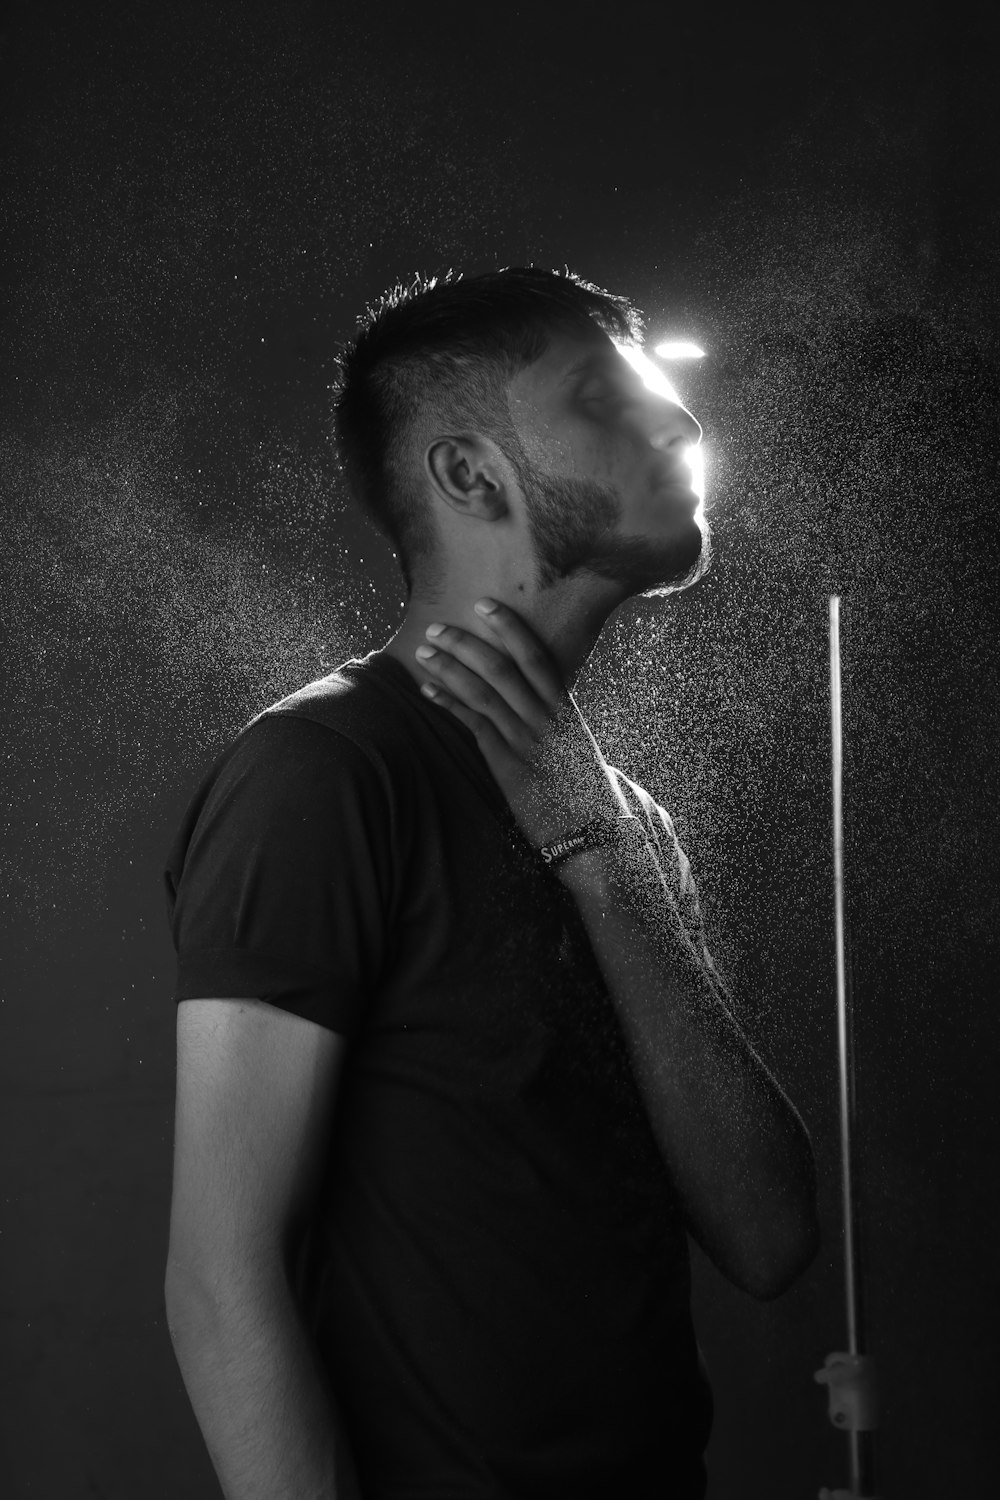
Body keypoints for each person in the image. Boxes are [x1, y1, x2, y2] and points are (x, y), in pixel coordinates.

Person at [162, 266, 819, 1500]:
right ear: (471, 476)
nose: (677, 424)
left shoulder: (622, 821)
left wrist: (600, 858)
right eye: (605, 399)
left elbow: (771, 1239)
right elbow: (219, 1278)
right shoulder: (321, 774)